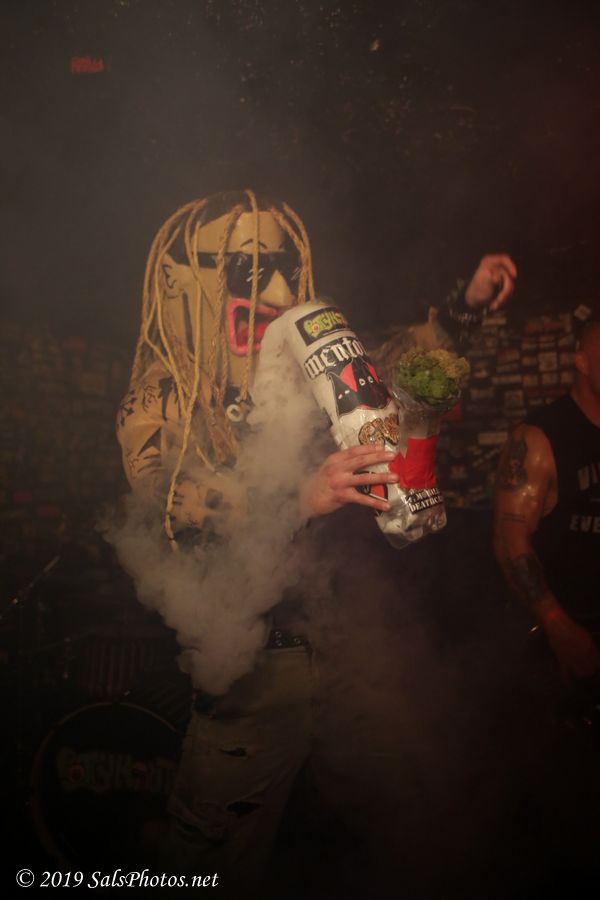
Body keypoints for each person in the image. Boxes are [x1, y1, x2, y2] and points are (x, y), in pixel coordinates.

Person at [116, 189, 516, 887]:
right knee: (213, 857)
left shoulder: (297, 358)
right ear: (190, 282)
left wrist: (466, 305)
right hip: (254, 672)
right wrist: (296, 498)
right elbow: (173, 512)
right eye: (248, 270)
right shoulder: (161, 396)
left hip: (351, 644)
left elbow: (384, 368)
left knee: (398, 826)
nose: (275, 290)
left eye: (281, 267)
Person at [493, 313, 600, 680]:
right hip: (568, 634)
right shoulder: (539, 437)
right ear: (582, 361)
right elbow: (510, 540)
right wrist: (555, 622)